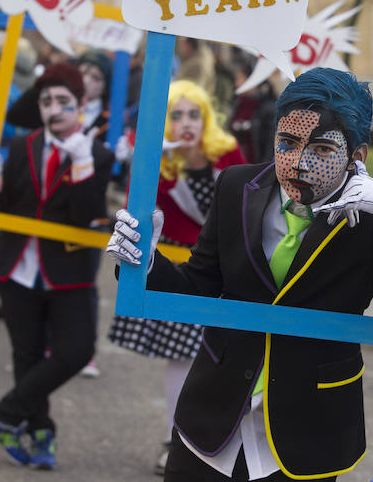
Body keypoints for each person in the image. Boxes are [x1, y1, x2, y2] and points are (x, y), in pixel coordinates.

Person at [106, 67, 373, 481]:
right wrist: (146, 263)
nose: (298, 163)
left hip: (307, 427)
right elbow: (200, 285)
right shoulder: (237, 186)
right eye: (287, 143)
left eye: (323, 150)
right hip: (214, 415)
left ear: (357, 156)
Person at [0, 63, 114, 470]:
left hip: (68, 269)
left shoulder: (99, 154)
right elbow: (2, 209)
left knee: (76, 349)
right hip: (17, 267)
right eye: (46, 101)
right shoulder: (22, 147)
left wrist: (84, 165)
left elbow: (84, 216)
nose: (54, 109)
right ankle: (40, 434)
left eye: (63, 102)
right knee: (27, 353)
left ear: (82, 104)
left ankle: (5, 412)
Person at [108, 79, 246, 476]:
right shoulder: (162, 164)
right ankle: (176, 438)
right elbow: (141, 211)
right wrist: (144, 162)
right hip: (183, 270)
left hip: (228, 273)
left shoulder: (229, 155)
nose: (186, 123)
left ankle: (223, 439)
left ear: (206, 119)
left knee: (227, 355)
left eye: (193, 114)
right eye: (176, 115)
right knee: (182, 357)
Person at [228, 61, 276, 164]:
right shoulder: (237, 103)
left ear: (253, 80)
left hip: (256, 170)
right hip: (235, 168)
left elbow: (270, 147)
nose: (236, 83)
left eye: (240, 78)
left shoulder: (268, 108)